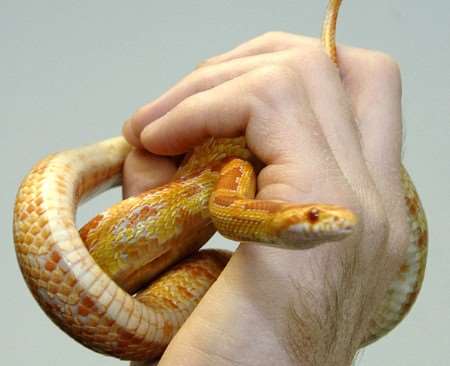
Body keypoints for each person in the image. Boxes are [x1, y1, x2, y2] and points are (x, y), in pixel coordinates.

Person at [122, 32, 409, 366]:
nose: (340, 219)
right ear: (290, 214)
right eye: (315, 215)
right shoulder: (235, 192)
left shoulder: (242, 193)